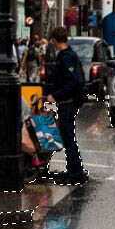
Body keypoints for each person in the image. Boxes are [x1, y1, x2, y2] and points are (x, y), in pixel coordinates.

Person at [44, 26, 88, 185]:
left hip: (67, 102)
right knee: (67, 136)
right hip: (67, 101)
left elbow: (73, 81)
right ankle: (74, 170)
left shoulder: (66, 57)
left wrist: (55, 95)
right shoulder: (66, 55)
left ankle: (75, 173)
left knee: (68, 137)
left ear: (55, 40)